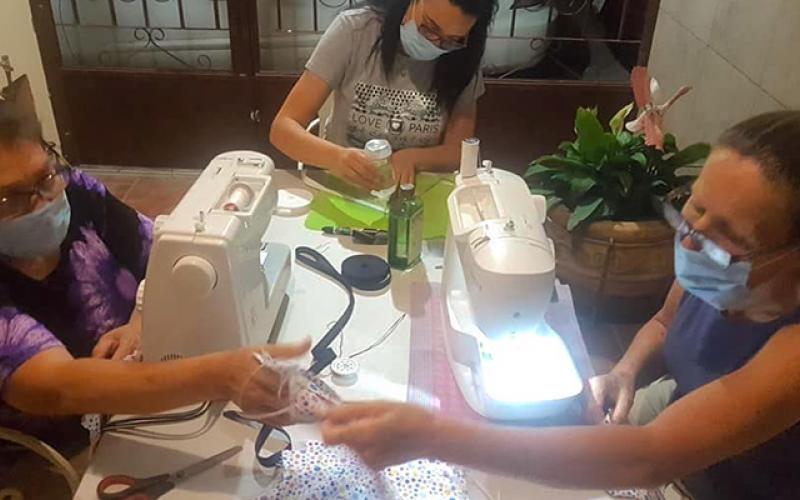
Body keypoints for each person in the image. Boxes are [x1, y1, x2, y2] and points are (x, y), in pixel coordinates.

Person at [322, 111, 800, 500]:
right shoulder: (714, 262)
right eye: (693, 209)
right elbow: (664, 319)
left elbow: (650, 455)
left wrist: (431, 435)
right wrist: (625, 371)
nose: (692, 242)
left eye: (728, 237)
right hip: (679, 413)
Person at [0, 105, 307, 455]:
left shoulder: (75, 190)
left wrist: (142, 317)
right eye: (10, 199)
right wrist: (224, 375)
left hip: (151, 379)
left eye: (45, 177)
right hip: (72, 445)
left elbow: (160, 250)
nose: (43, 201)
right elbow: (60, 388)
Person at [270, 0, 496, 189]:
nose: (436, 44)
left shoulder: (465, 56)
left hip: (416, 192)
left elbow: (458, 151)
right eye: (429, 28)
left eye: (452, 40)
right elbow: (283, 129)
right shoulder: (355, 31)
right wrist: (337, 158)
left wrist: (413, 158)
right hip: (341, 187)